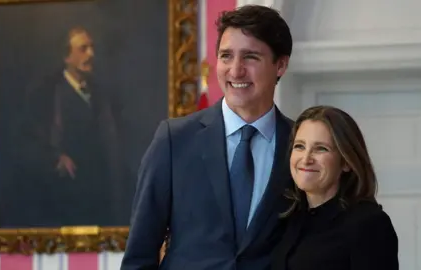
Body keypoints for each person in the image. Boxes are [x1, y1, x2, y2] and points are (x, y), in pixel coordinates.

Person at [121, 5, 294, 270]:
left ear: (280, 64)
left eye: (250, 57)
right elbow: (139, 254)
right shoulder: (174, 140)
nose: (235, 71)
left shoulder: (299, 145)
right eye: (226, 56)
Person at [12, 26, 124, 227]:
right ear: (66, 57)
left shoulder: (101, 94)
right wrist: (55, 158)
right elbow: (27, 143)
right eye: (83, 49)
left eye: (92, 48)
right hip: (61, 196)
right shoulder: (45, 94)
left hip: (98, 197)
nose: (91, 54)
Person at [271, 106, 399, 270]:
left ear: (346, 162)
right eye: (300, 146)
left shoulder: (368, 224)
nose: (306, 158)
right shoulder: (290, 217)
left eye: (321, 148)